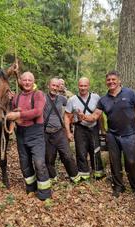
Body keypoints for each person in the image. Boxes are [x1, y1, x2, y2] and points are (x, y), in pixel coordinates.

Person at [78, 70, 135, 201]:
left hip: (130, 135)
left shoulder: (130, 93)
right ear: (106, 82)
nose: (111, 82)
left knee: (132, 162)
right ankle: (118, 186)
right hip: (113, 135)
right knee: (114, 162)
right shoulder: (103, 100)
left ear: (119, 80)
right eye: (108, 80)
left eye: (113, 79)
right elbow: (95, 116)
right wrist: (84, 117)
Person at [6, 72, 52, 201]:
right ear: (20, 81)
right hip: (21, 133)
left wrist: (19, 115)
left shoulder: (39, 95)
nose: (27, 82)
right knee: (24, 163)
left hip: (35, 133)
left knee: (39, 162)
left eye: (29, 80)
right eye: (24, 80)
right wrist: (12, 120)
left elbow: (37, 111)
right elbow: (13, 112)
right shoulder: (16, 97)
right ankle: (31, 188)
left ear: (33, 81)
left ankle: (45, 193)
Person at [64, 77, 105, 181]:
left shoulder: (96, 97)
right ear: (78, 86)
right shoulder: (72, 100)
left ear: (89, 86)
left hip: (94, 127)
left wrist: (102, 129)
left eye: (85, 85)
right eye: (81, 85)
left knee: (95, 150)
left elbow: (100, 114)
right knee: (81, 151)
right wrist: (68, 132)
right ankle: (84, 174)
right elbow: (67, 116)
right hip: (80, 128)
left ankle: (98, 173)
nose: (83, 88)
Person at [43, 78, 80, 184]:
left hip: (59, 132)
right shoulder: (42, 98)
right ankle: (52, 177)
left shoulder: (62, 99)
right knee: (49, 158)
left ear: (59, 87)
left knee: (67, 155)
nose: (54, 88)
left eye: (57, 86)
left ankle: (74, 177)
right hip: (46, 132)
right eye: (53, 85)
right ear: (48, 85)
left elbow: (71, 106)